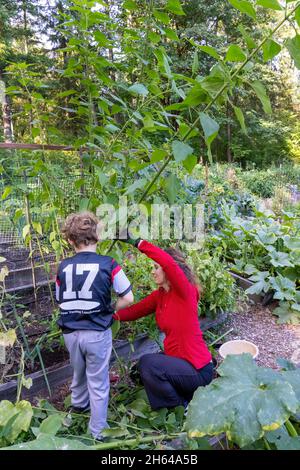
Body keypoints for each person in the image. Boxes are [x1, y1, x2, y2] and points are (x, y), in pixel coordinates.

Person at [55, 211, 133, 440]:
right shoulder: (108, 264)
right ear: (98, 237)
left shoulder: (63, 266)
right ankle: (97, 432)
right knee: (98, 382)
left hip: (70, 332)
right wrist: (109, 309)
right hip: (97, 333)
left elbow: (60, 299)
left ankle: (78, 405)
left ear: (70, 240)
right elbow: (128, 297)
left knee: (78, 371)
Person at [113, 234, 213, 411]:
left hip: (197, 370)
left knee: (148, 364)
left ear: (169, 271)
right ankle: (187, 398)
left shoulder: (185, 292)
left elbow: (168, 262)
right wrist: (109, 316)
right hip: (180, 365)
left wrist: (137, 242)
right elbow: (135, 311)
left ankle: (177, 408)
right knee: (139, 372)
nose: (153, 271)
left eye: (156, 267)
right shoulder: (161, 295)